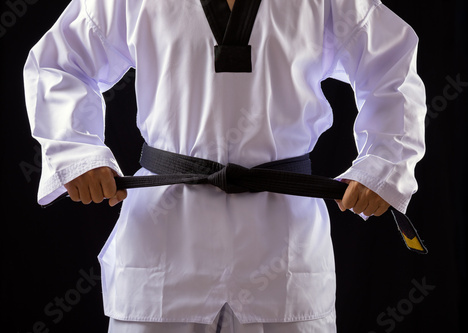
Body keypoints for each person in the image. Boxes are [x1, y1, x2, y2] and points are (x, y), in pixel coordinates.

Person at [23, 0, 426, 332]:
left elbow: (392, 67)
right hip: (163, 240)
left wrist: (382, 165)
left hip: (283, 244)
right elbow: (59, 63)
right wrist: (77, 153)